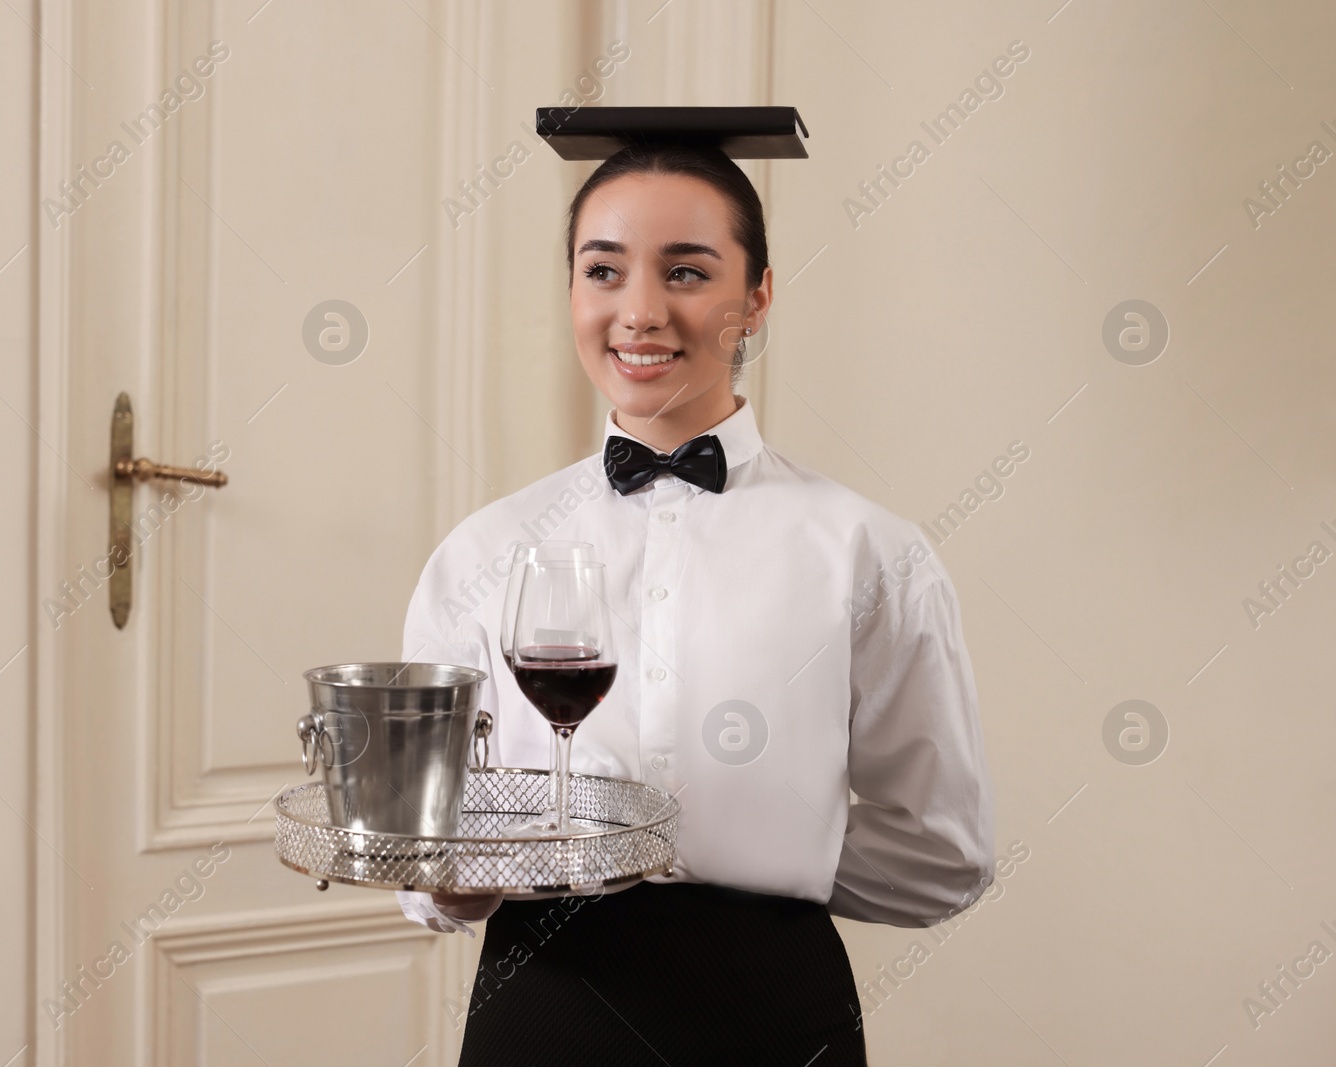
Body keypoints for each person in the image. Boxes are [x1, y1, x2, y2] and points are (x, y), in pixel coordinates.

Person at [397, 107, 994, 1067]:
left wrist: (759, 846)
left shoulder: (871, 553)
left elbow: (943, 855)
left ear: (756, 297)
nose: (639, 311)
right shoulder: (485, 552)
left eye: (686, 271)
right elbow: (421, 864)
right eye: (603, 270)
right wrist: (461, 871)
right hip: (541, 1012)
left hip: (772, 1016)